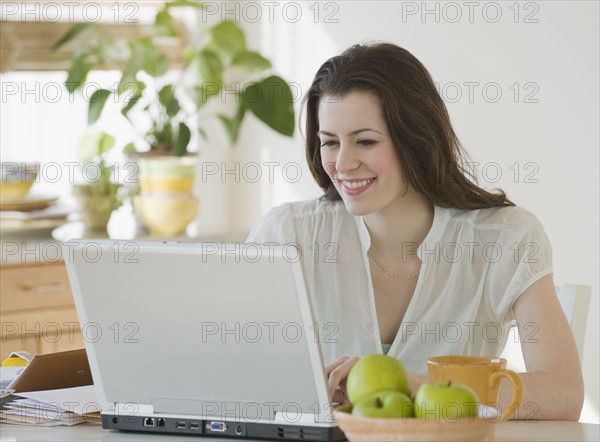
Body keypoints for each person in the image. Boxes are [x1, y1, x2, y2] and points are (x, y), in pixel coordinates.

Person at [246, 42, 583, 421]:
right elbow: (233, 376)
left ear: (416, 139)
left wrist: (417, 385)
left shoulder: (506, 238)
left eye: (366, 141)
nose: (342, 163)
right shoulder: (288, 235)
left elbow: (563, 393)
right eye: (330, 142)